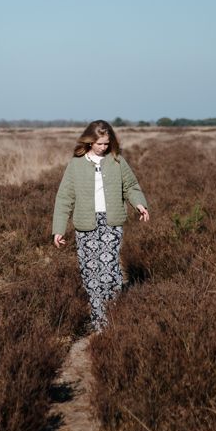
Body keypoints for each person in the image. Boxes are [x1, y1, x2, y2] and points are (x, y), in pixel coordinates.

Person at [52, 119, 149, 332]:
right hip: (85, 224)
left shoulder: (117, 161)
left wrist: (139, 204)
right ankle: (99, 323)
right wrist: (58, 229)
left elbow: (131, 186)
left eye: (106, 143)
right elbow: (64, 198)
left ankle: (112, 317)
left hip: (111, 222)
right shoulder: (76, 164)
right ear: (89, 141)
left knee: (108, 271)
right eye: (99, 144)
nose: (103, 147)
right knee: (91, 273)